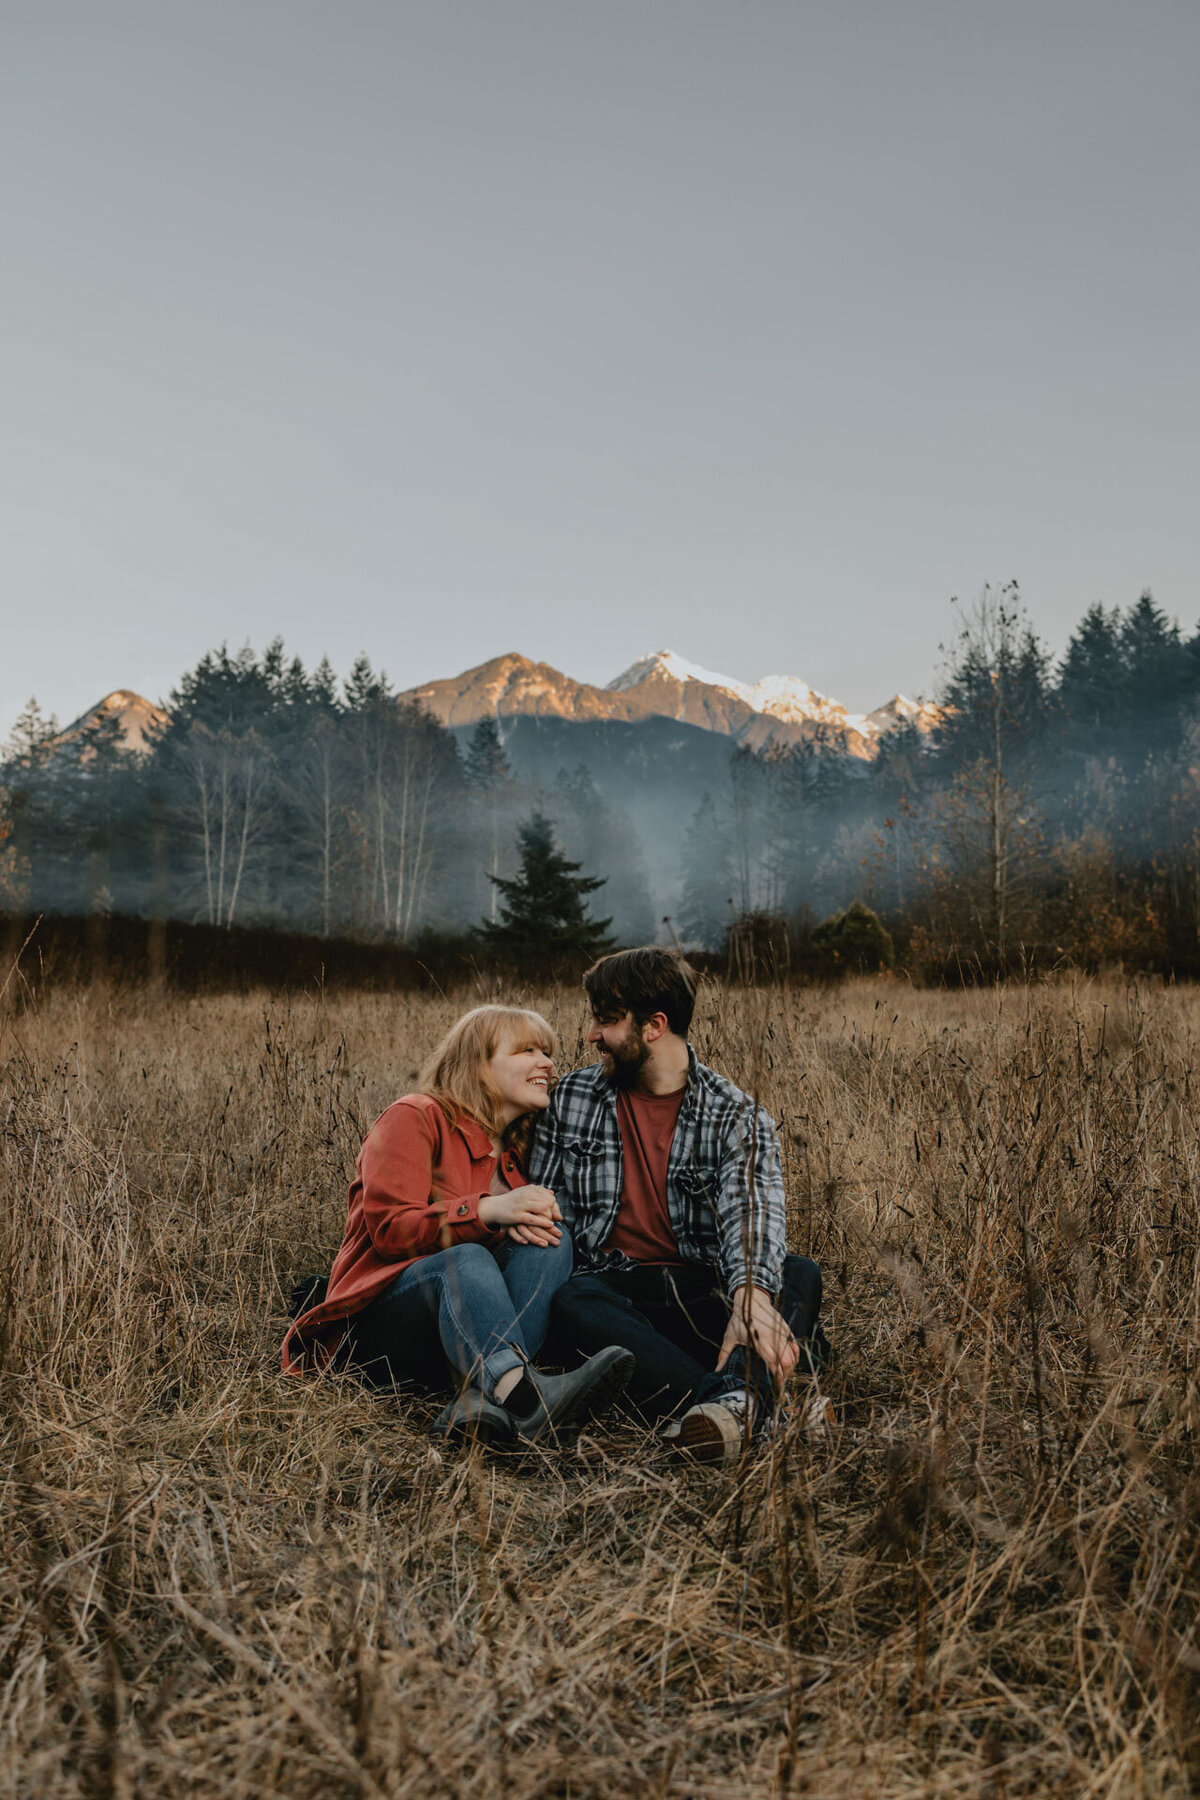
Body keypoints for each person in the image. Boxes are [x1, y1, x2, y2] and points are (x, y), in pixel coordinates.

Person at [283, 1004, 634, 1446]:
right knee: (464, 1259)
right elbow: (390, 1230)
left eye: (547, 1053)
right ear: (478, 1064)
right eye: (527, 1051)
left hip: (456, 1347)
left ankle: (484, 1397)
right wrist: (488, 1209)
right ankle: (526, 1401)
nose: (547, 1063)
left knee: (549, 1239)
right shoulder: (415, 1116)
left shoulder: (518, 1153)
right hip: (378, 1334)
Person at [532, 948, 828, 1464]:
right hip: (615, 1293)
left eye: (605, 1020)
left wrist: (751, 1297)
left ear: (654, 1026)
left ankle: (721, 1407)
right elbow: (546, 1212)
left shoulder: (735, 1113)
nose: (591, 1035)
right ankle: (742, 1402)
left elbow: (753, 1211)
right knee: (573, 1301)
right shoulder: (572, 1098)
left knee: (795, 1271)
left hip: (701, 1289)